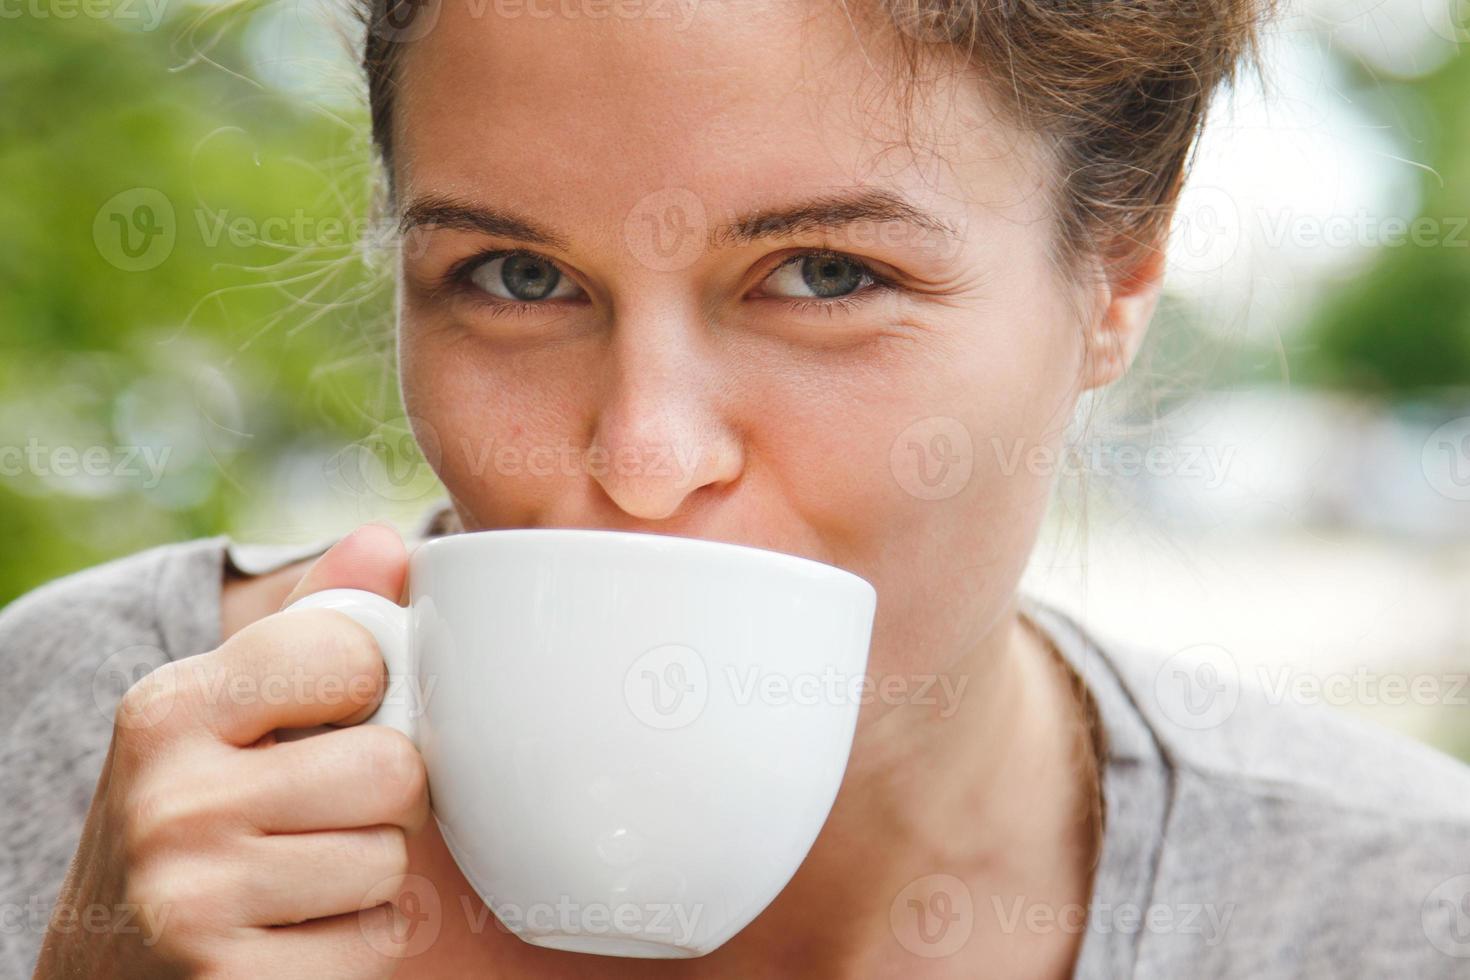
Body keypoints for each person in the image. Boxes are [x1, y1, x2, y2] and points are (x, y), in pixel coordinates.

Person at [6, 0, 1470, 976]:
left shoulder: (1393, 909)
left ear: (1119, 282)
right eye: (517, 278)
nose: (643, 459)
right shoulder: (62, 735)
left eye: (828, 276)